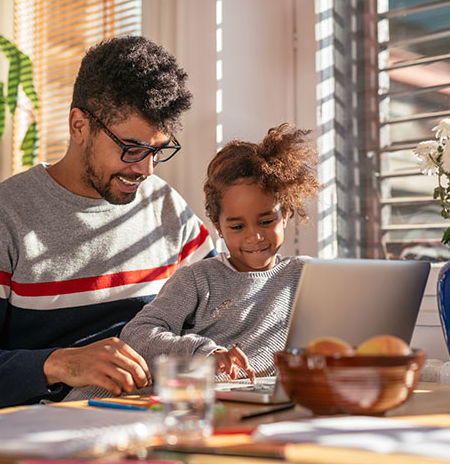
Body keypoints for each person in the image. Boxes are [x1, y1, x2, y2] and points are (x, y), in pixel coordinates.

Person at [0, 36, 215, 410]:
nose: (145, 169)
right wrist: (59, 364)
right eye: (130, 148)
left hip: (157, 423)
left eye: (157, 150)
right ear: (79, 125)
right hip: (44, 436)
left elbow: (223, 307)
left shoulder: (165, 207)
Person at [64, 122, 321, 400]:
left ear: (285, 216)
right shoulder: (199, 279)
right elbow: (137, 334)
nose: (255, 236)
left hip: (239, 400)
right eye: (237, 227)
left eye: (266, 221)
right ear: (218, 227)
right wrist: (204, 352)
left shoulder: (308, 277)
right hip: (125, 399)